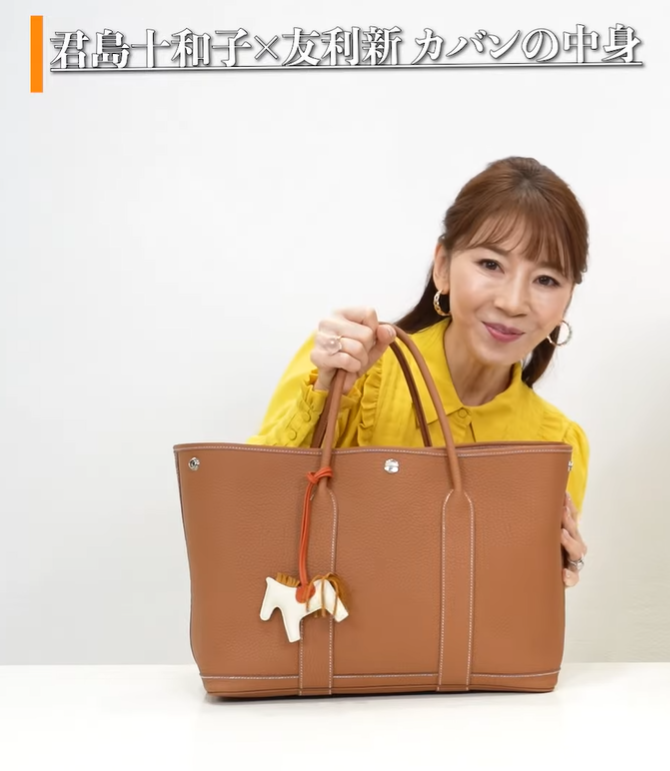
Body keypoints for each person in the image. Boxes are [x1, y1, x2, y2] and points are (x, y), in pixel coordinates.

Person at [248, 156, 592, 588]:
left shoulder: (556, 444)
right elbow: (249, 510)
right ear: (443, 267)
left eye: (546, 280)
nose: (512, 302)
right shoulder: (352, 367)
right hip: (337, 633)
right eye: (491, 265)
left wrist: (554, 573)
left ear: (567, 299)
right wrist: (324, 396)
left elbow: (503, 602)